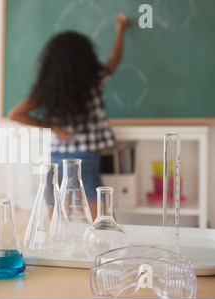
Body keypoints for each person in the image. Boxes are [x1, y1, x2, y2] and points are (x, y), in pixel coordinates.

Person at [8, 14, 130, 220]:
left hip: (57, 156)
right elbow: (114, 59)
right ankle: (110, 244)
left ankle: (53, 246)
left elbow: (15, 114)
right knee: (100, 213)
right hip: (87, 154)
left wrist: (52, 127)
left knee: (55, 210)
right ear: (86, 58)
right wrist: (120, 30)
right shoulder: (94, 81)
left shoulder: (50, 91)